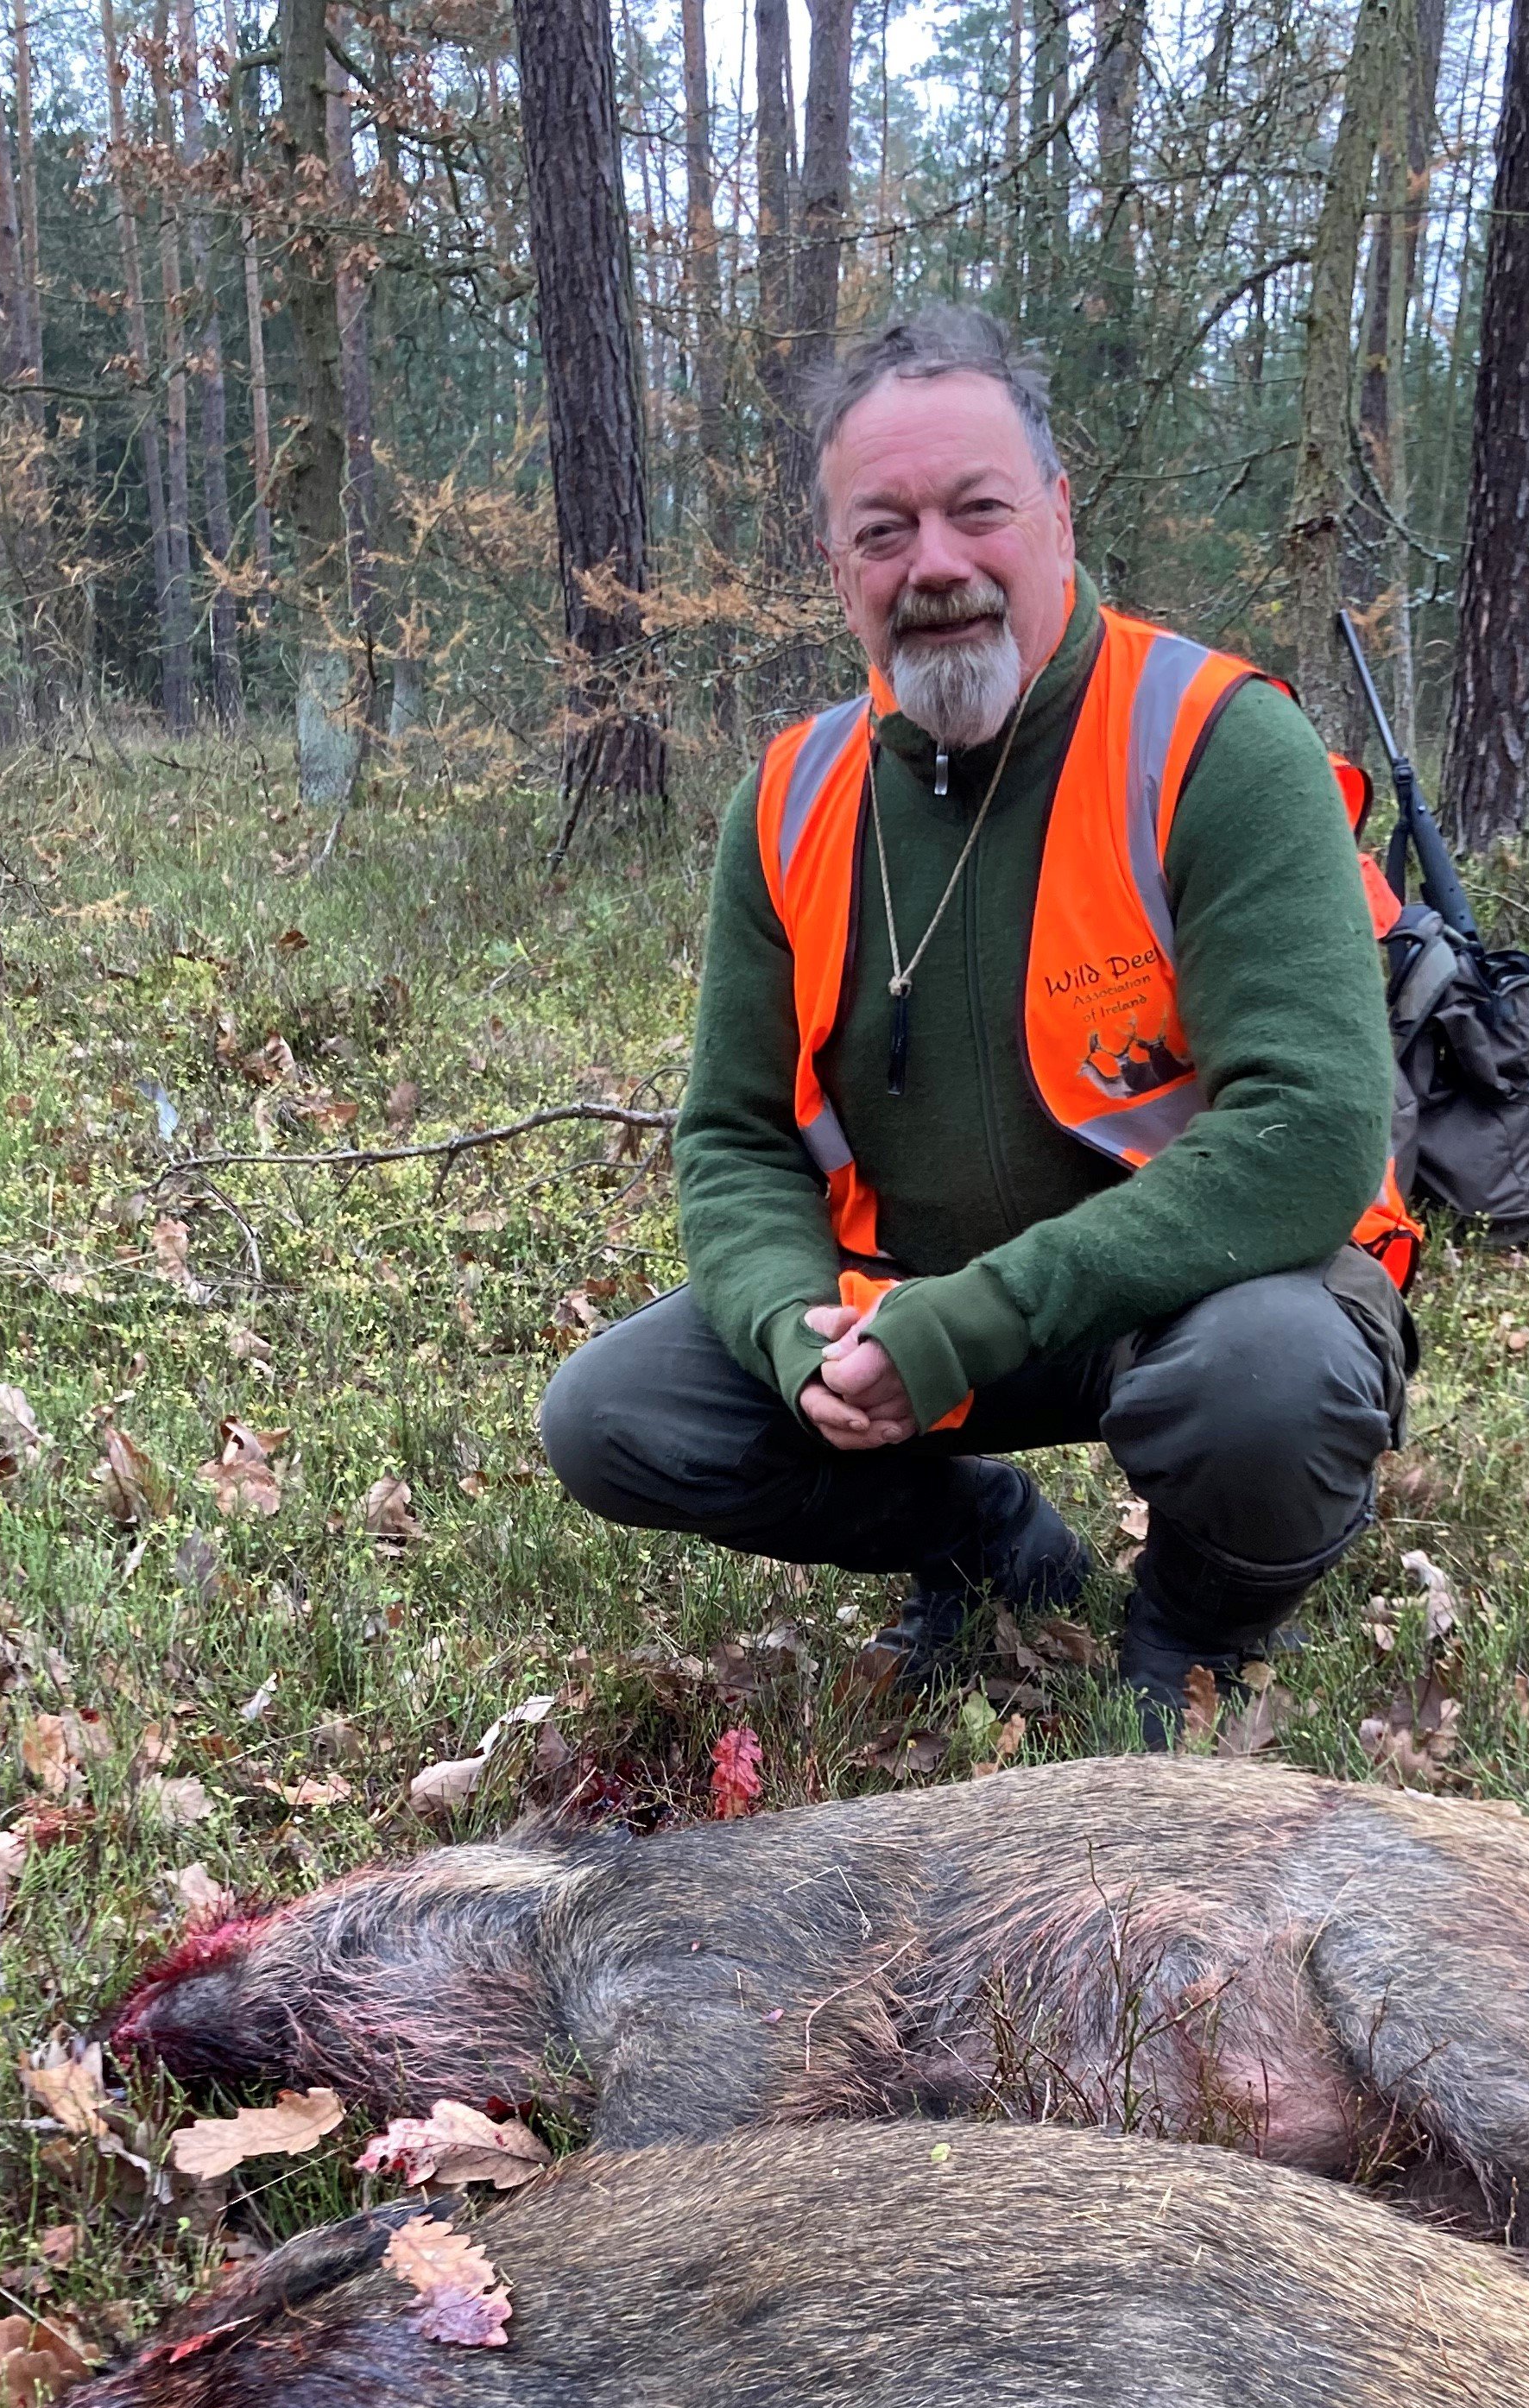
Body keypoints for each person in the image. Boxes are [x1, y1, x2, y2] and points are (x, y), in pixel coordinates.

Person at [540, 305, 1418, 1739]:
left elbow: (1312, 1134)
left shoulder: (1212, 740)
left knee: (1274, 1377)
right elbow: (737, 1135)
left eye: (977, 511)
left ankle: (1192, 1630)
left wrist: (979, 1318)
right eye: (882, 531)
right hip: (912, 1319)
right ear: (837, 570)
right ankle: (987, 1542)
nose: (935, 564)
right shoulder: (789, 796)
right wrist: (788, 1333)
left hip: (1190, 1298)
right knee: (611, 1417)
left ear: (1059, 519)